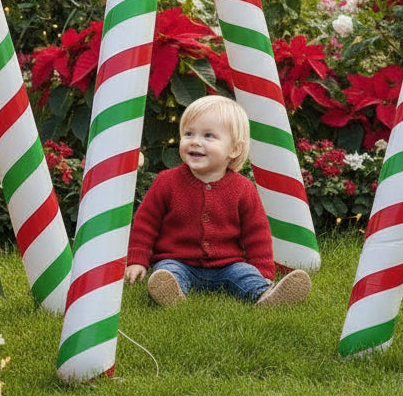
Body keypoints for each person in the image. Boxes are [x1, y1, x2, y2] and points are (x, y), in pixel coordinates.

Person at [125, 94, 311, 307]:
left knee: (245, 274)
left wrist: (264, 272)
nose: (195, 141)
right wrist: (137, 260)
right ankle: (171, 295)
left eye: (209, 136)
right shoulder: (166, 181)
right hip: (178, 260)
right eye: (188, 133)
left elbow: (257, 234)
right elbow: (145, 224)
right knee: (168, 271)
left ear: (234, 149)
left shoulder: (243, 189)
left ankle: (265, 294)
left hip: (227, 265)